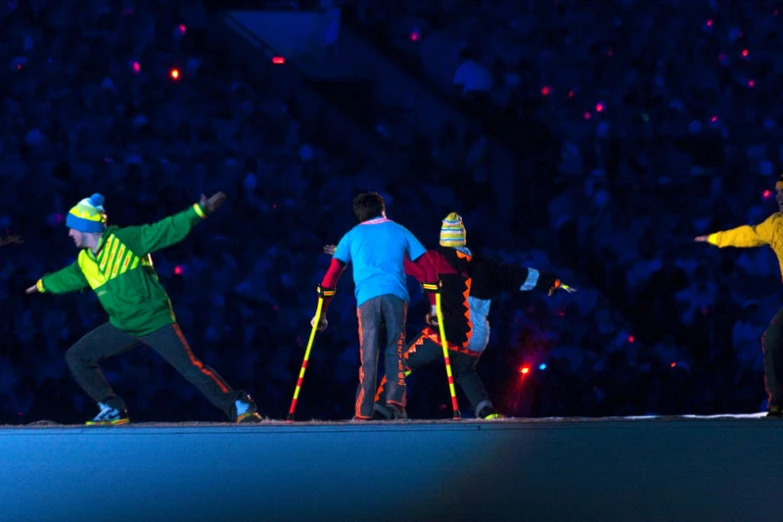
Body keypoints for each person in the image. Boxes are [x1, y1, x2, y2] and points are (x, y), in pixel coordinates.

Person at [26, 193, 262, 425]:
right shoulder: (86, 260)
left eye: (72, 228)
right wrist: (42, 285)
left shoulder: (124, 240)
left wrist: (199, 212)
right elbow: (68, 277)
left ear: (86, 227)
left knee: (191, 369)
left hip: (153, 321)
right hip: (123, 325)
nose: (69, 233)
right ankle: (113, 409)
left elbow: (164, 230)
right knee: (77, 356)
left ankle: (239, 405)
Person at [326, 212, 575, 419]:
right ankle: (485, 410)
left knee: (402, 362)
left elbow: (397, 261)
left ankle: (383, 407)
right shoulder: (487, 266)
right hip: (477, 337)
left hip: (445, 333)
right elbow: (519, 275)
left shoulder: (433, 260)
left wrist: (352, 253)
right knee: (465, 371)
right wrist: (552, 282)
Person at [312, 192, 438, 420]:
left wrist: (320, 313)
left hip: (367, 299)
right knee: (395, 349)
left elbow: (330, 278)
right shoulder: (399, 230)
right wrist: (434, 307)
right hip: (395, 297)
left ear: (358, 216)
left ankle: (363, 413)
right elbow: (428, 268)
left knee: (368, 355)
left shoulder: (351, 236)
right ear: (383, 209)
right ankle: (395, 402)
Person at [695, 174, 783, 418]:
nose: (780, 197)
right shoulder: (775, 225)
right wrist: (715, 238)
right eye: (778, 194)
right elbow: (746, 234)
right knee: (773, 339)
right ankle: (778, 404)